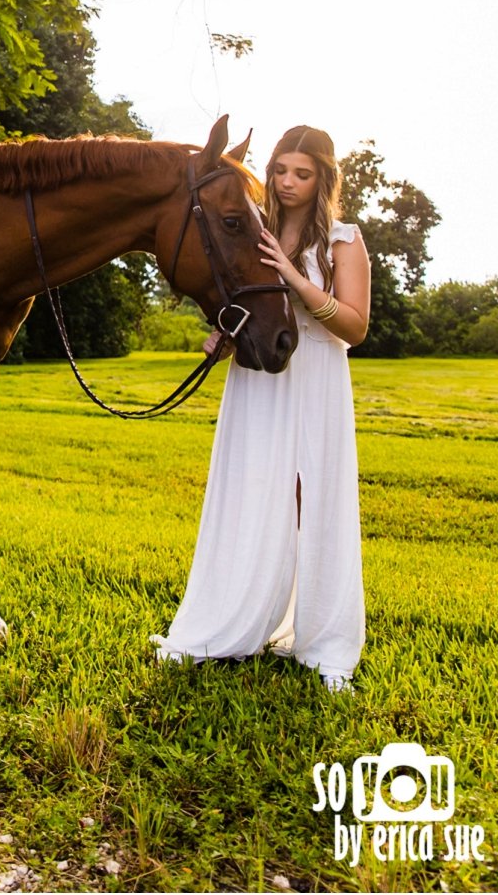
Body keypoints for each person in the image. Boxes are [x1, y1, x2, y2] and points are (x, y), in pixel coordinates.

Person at [151, 125, 369, 693]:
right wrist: (224, 335)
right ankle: (225, 625)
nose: (288, 182)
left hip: (318, 374)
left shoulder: (344, 240)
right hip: (259, 377)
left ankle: (322, 640)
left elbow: (357, 325)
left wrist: (295, 276)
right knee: (249, 492)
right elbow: (241, 298)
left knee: (313, 497)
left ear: (323, 178)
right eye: (280, 170)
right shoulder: (254, 228)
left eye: (302, 173)